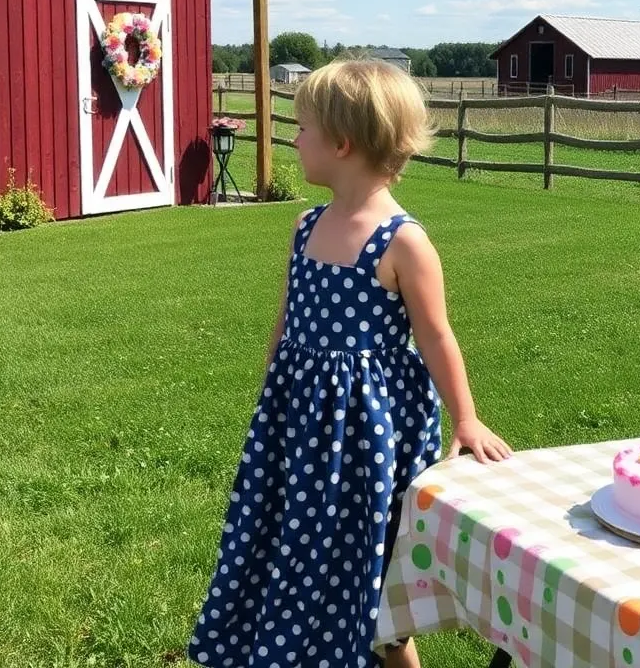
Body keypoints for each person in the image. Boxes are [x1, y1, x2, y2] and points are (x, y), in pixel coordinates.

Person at [187, 58, 512, 668]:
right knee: (300, 549)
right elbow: (286, 323)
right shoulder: (305, 225)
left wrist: (466, 420)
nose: (293, 138)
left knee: (372, 574)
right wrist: (272, 394)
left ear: (342, 143)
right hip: (301, 425)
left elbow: (437, 336)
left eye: (302, 127)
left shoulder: (402, 241)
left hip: (365, 435)